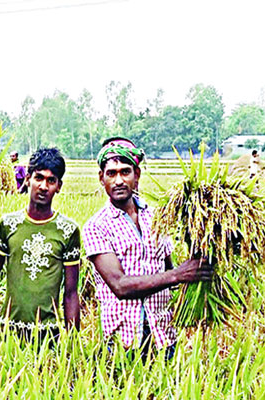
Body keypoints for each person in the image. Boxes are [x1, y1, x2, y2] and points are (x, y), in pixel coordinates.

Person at [82, 137, 213, 358]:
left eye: (125, 172)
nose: (118, 180)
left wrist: (202, 255)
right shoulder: (96, 226)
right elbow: (120, 286)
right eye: (111, 173)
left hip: (163, 334)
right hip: (123, 341)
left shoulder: (157, 218)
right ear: (101, 178)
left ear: (137, 175)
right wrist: (180, 274)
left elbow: (168, 268)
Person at [0, 148, 81, 342]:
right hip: (8, 332)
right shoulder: (8, 224)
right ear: (27, 179)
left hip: (49, 335)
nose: (43, 186)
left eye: (51, 180)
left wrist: (73, 344)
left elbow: (71, 293)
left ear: (59, 186)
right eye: (38, 178)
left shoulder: (68, 230)